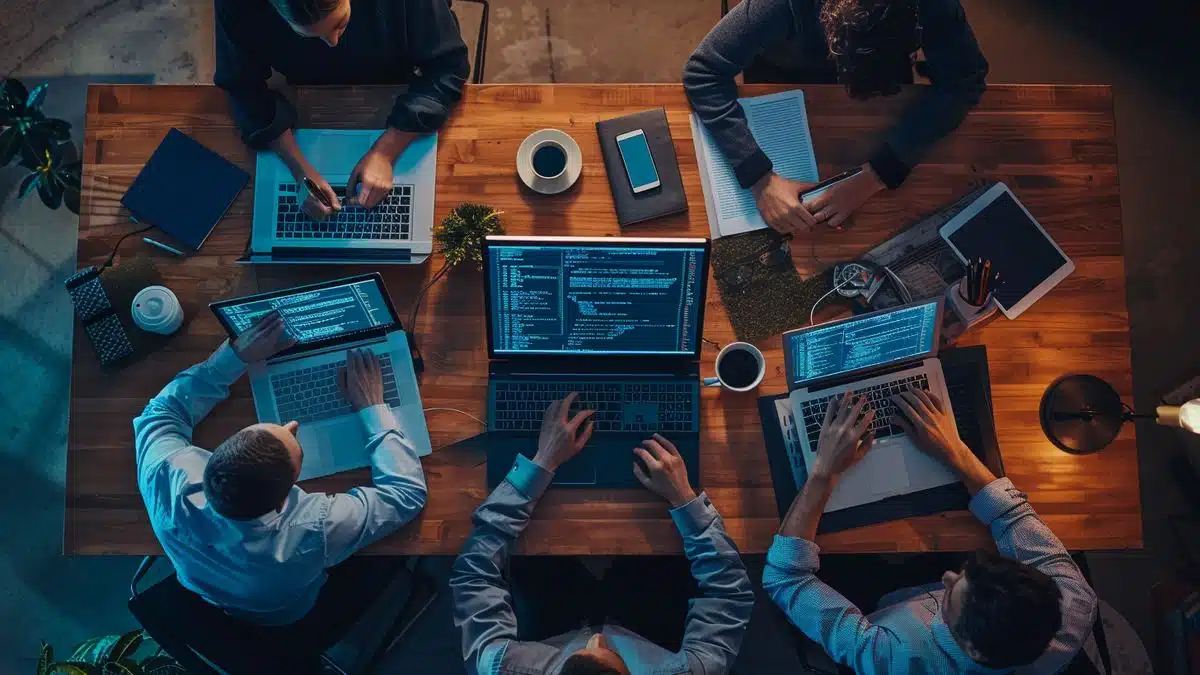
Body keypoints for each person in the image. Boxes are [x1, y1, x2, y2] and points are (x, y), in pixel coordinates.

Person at [763, 389, 1097, 673]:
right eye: (965, 575)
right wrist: (956, 451)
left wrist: (823, 472)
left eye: (951, 595)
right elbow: (1012, 515)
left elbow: (784, 578)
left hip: (875, 596)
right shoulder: (1074, 604)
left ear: (971, 649)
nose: (948, 577)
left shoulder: (895, 658)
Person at [132, 310, 428, 630]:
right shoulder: (309, 532)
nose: (292, 424)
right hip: (288, 613)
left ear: (217, 455)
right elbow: (406, 495)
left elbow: (160, 413)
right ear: (282, 503)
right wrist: (372, 406)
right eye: (295, 445)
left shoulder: (166, 475)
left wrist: (233, 358)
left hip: (212, 594)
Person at [450, 393, 756, 675]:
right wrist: (685, 498)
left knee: (529, 557)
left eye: (584, 651)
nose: (597, 638)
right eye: (607, 650)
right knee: (666, 561)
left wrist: (542, 462)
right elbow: (729, 594)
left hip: (552, 621)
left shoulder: (503, 666)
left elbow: (474, 575)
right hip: (647, 622)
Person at [684, 0, 988, 232]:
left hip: (884, 91)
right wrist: (760, 179)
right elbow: (703, 72)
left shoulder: (932, 5)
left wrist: (878, 175)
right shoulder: (779, 6)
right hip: (781, 76)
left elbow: (964, 81)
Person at [214, 0, 469, 219]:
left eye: (340, 24)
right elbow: (242, 85)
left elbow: (449, 68)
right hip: (306, 96)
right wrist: (300, 170)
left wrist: (385, 152)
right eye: (308, 36)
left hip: (395, 86)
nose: (333, 43)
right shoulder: (238, 6)